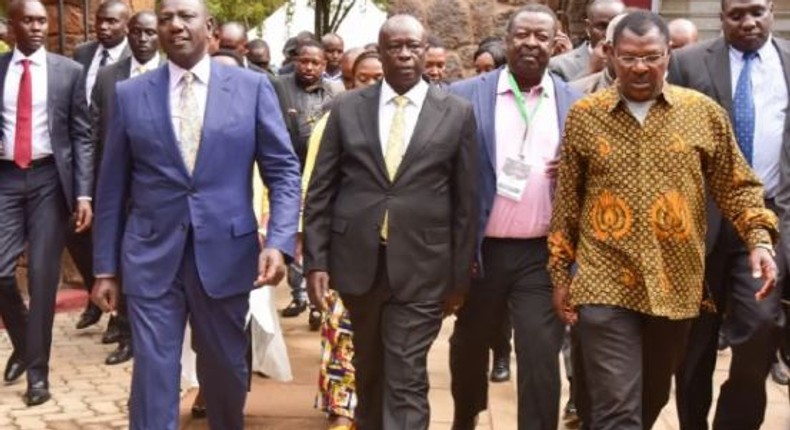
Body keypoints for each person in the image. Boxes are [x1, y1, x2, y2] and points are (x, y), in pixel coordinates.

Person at [550, 10, 779, 430]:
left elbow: (738, 185)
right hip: (605, 281)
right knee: (618, 409)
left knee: (651, 399)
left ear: (669, 55)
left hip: (675, 284)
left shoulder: (702, 114)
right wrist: (561, 273)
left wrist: (759, 240)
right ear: (611, 56)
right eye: (629, 57)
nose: (640, 67)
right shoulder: (586, 116)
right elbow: (568, 202)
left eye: (651, 57)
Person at [90, 0, 301, 428]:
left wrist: (280, 242)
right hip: (151, 257)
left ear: (210, 27)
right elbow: (110, 186)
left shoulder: (250, 88)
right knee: (154, 373)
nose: (174, 26)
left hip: (226, 254)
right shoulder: (130, 95)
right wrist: (105, 268)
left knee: (224, 370)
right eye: (165, 18)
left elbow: (283, 171)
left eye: (185, 17)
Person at [304, 14, 478, 430]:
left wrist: (459, 277)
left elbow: (466, 201)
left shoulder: (455, 112)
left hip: (423, 266)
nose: (403, 54)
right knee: (370, 370)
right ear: (380, 53)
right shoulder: (347, 108)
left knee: (406, 375)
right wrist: (316, 261)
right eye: (394, 46)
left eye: (412, 47)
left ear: (424, 53)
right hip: (357, 264)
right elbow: (322, 189)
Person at [448, 5, 582, 430]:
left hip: (541, 255)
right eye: (522, 34)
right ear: (507, 40)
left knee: (541, 352)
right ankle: (466, 416)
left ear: (556, 44)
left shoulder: (574, 102)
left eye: (541, 37)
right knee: (469, 345)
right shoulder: (465, 95)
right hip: (481, 252)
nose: (531, 43)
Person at [668, 1, 789, 429]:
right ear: (721, 17)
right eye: (736, 14)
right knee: (692, 346)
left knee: (759, 331)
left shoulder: (788, 66)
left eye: (757, 11)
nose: (748, 22)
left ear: (771, 10)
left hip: (767, 225)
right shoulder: (686, 64)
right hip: (699, 227)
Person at [0, 0, 93, 406]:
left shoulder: (68, 72)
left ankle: (38, 374)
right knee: (1, 274)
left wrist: (84, 193)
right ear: (11, 26)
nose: (38, 27)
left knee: (41, 277)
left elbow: (82, 135)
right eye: (29, 20)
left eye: (42, 20)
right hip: (5, 178)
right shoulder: (0, 69)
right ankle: (24, 343)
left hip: (48, 182)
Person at [304, 49, 384, 430]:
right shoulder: (335, 121)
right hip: (344, 248)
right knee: (341, 330)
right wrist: (314, 247)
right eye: (362, 77)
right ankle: (341, 408)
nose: (370, 83)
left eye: (377, 76)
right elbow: (315, 188)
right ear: (350, 80)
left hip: (389, 251)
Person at [88, 9, 161, 366]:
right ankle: (126, 332)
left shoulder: (170, 75)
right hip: (118, 188)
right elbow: (94, 133)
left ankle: (145, 335)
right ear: (128, 34)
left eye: (150, 33)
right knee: (120, 262)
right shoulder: (107, 77)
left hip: (156, 191)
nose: (144, 39)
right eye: (137, 33)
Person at [70, 0, 131, 334]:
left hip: (118, 160)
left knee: (118, 232)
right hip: (86, 157)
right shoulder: (82, 54)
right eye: (100, 22)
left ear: (126, 24)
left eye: (112, 22)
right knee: (76, 231)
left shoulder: (135, 57)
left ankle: (118, 315)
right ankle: (95, 296)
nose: (104, 28)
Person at [277, 38, 342, 329]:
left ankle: (319, 302)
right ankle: (299, 293)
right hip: (290, 177)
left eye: (316, 62)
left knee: (318, 235)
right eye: (304, 61)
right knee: (294, 237)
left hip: (324, 177)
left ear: (325, 65)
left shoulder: (336, 93)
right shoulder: (279, 88)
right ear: (295, 61)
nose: (309, 67)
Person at [549, 0, 625, 82]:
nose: (608, 33)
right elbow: (561, 94)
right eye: (602, 27)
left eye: (616, 27)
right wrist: (590, 70)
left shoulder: (635, 62)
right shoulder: (559, 65)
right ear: (588, 27)